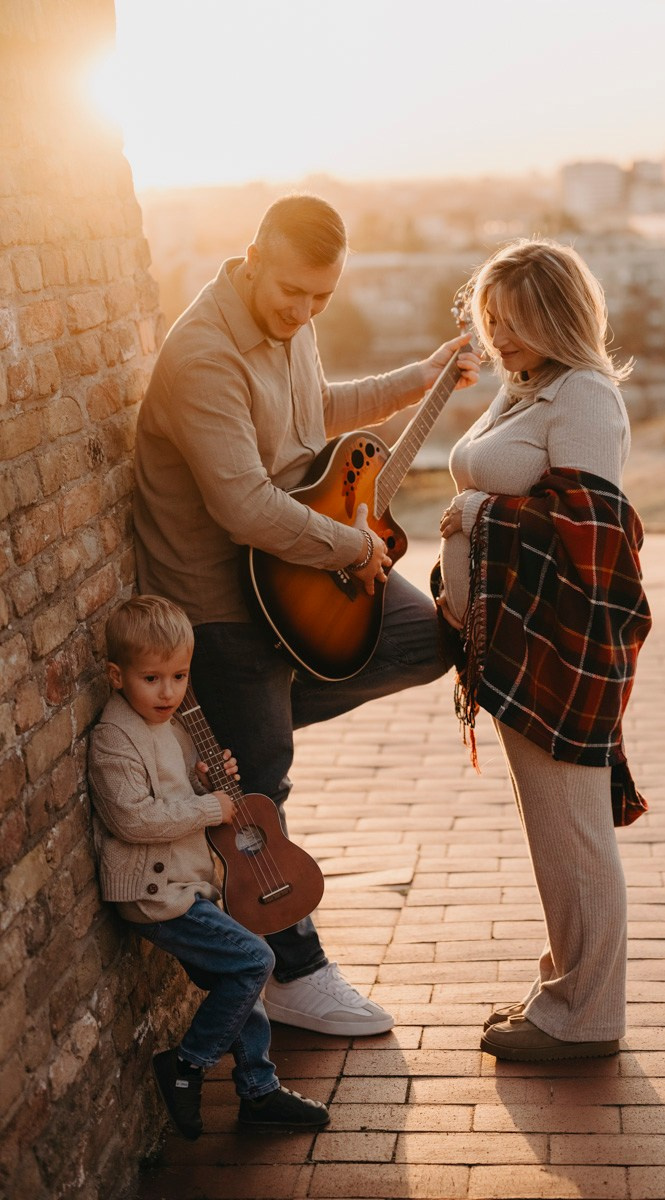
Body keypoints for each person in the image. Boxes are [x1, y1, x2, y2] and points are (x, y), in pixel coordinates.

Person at [133, 194, 480, 1037]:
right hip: (220, 598)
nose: (305, 311)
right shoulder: (205, 355)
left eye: (322, 297)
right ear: (252, 258)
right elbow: (245, 507)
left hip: (291, 579)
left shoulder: (292, 322)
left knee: (425, 639)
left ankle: (231, 730)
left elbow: (315, 411)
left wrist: (421, 377)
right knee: (262, 785)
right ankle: (294, 973)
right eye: (293, 292)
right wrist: (350, 547)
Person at [435, 238, 652, 1062]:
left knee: (576, 834)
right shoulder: (525, 387)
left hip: (559, 646)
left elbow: (592, 534)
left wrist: (476, 516)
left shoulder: (586, 397)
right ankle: (564, 991)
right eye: (490, 318)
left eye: (516, 320)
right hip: (515, 645)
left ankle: (587, 1020)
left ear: (560, 316)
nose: (498, 335)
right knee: (553, 833)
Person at [88, 595, 330, 1140]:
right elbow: (133, 819)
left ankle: (259, 1091)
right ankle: (187, 1064)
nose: (168, 692)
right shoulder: (113, 738)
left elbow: (178, 795)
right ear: (116, 676)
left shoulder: (171, 725)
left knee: (237, 977)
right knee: (254, 960)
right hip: (154, 892)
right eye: (152, 679)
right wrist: (208, 808)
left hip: (187, 882)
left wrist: (206, 783)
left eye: (179, 677)